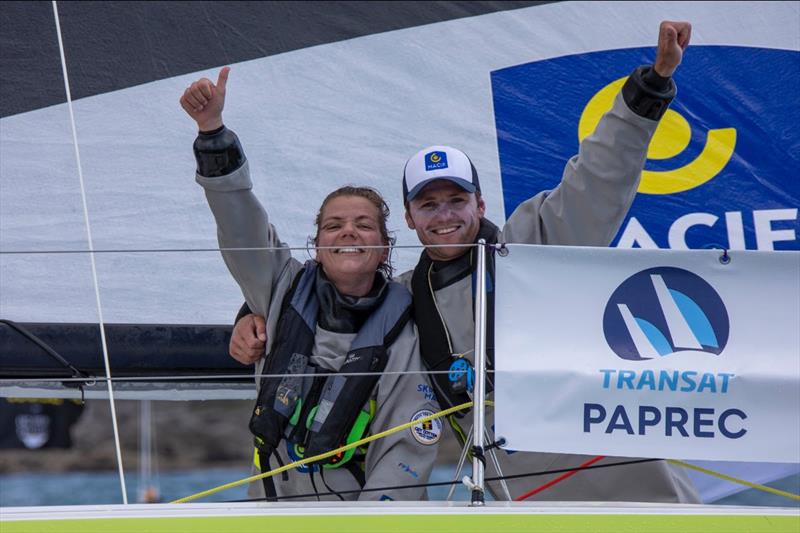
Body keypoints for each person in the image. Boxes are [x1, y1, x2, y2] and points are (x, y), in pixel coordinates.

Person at [227, 21, 700, 502]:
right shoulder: (405, 296)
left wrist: (649, 88)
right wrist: (253, 313)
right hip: (515, 494)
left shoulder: (534, 245)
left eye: (457, 199)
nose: (445, 215)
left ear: (480, 205)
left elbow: (598, 178)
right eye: (429, 205)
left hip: (621, 471)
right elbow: (337, 301)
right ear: (410, 219)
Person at [181, 77, 441, 501]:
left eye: (363, 225)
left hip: (360, 516)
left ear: (384, 248)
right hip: (271, 509)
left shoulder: (405, 325)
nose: (348, 233)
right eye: (334, 226)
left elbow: (404, 450)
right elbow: (239, 223)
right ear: (317, 246)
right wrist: (212, 132)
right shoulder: (281, 287)